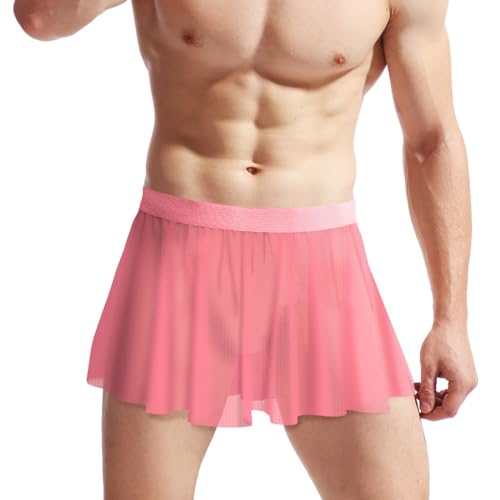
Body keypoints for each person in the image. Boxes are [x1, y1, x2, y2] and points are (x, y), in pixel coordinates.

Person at [14, 0, 478, 498]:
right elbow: (39, 18)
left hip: (321, 272)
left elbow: (432, 141)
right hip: (178, 261)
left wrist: (450, 319)